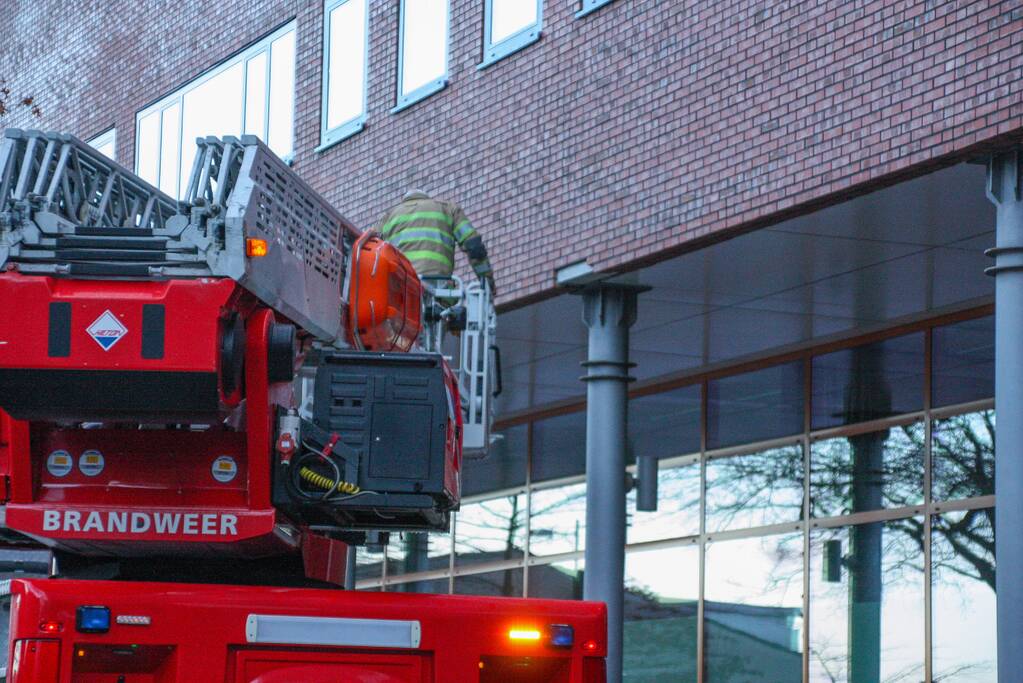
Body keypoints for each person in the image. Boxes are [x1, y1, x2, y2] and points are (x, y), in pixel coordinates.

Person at [374, 190, 495, 294]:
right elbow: (474, 247)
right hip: (439, 288)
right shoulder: (447, 209)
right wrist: (488, 284)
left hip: (402, 288)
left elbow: (372, 253)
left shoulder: (387, 218)